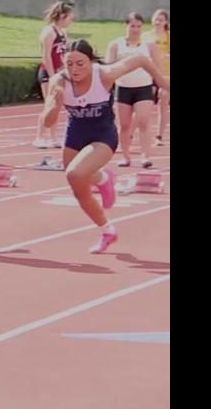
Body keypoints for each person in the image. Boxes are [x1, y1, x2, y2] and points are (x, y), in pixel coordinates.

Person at [47, 39, 166, 254]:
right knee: (78, 186)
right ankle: (107, 228)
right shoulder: (59, 81)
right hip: (75, 134)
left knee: (74, 173)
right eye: (69, 64)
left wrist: (161, 81)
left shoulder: (104, 74)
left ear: (91, 61)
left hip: (102, 134)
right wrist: (55, 105)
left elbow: (139, 59)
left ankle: (102, 179)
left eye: (80, 64)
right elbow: (47, 122)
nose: (74, 69)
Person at [105, 12, 164, 168]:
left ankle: (145, 156)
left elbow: (158, 67)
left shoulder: (149, 45)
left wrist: (159, 85)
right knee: (124, 125)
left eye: (138, 26)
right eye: (132, 26)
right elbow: (108, 67)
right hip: (123, 87)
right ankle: (126, 156)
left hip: (143, 87)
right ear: (126, 26)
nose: (136, 29)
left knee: (144, 121)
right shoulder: (116, 44)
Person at [32, 0, 74, 158]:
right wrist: (51, 76)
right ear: (62, 16)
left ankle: (53, 137)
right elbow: (46, 55)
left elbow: (63, 54)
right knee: (49, 105)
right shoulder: (49, 32)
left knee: (57, 106)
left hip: (60, 72)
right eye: (70, 17)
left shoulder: (63, 33)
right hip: (48, 73)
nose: (71, 20)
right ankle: (39, 136)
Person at [152, 8, 170, 146]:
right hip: (149, 74)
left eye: (161, 20)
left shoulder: (168, 36)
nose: (158, 22)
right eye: (156, 19)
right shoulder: (146, 36)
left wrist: (165, 56)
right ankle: (131, 133)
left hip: (165, 74)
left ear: (166, 22)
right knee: (143, 105)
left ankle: (159, 136)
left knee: (163, 104)